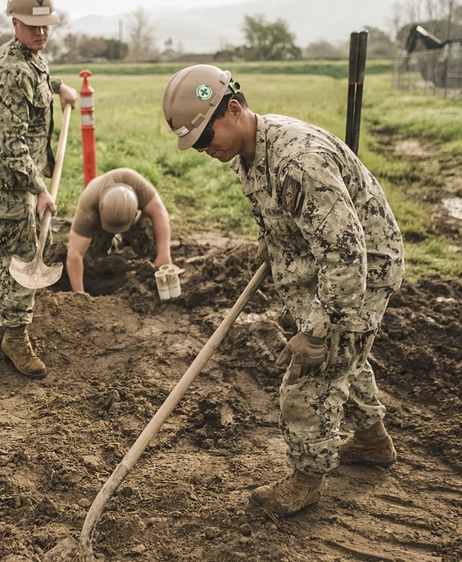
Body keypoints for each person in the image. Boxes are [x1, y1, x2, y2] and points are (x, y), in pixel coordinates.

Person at [161, 65, 405, 516]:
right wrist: (269, 246)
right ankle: (372, 440)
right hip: (322, 264)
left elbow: (346, 256)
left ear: (233, 110)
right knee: (346, 358)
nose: (202, 149)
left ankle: (306, 481)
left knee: (311, 376)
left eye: (203, 137)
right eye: (193, 144)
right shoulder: (249, 151)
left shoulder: (299, 160)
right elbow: (281, 217)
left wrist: (315, 332)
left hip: (360, 271)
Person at [0, 0, 77, 379]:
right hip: (9, 179)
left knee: (12, 242)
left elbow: (39, 83)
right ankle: (14, 336)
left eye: (46, 26)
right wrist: (40, 189)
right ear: (15, 23)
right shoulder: (13, 70)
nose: (41, 33)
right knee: (25, 253)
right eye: (32, 26)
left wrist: (59, 87)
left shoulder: (28, 57)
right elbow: (10, 143)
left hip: (20, 176)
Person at [65, 168, 173, 294]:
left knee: (153, 243)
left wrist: (164, 253)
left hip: (134, 220)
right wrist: (79, 293)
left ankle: (152, 267)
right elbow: (74, 255)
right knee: (90, 262)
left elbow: (159, 213)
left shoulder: (136, 183)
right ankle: (113, 243)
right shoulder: (88, 211)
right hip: (100, 227)